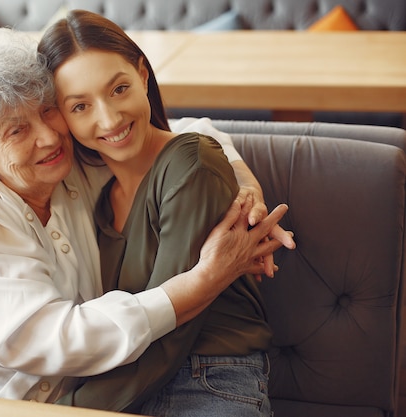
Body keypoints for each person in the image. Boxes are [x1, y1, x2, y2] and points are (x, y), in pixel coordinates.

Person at [0, 26, 291, 404]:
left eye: (47, 111)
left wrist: (243, 184)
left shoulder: (66, 167)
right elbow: (51, 338)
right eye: (18, 130)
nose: (48, 138)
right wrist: (204, 280)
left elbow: (185, 137)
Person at [36, 10, 286, 417]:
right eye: (80, 106)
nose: (109, 118)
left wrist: (65, 410)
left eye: (118, 89)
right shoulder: (94, 194)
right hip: (127, 379)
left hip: (209, 380)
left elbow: (173, 331)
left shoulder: (190, 162)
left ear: (143, 75)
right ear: (59, 116)